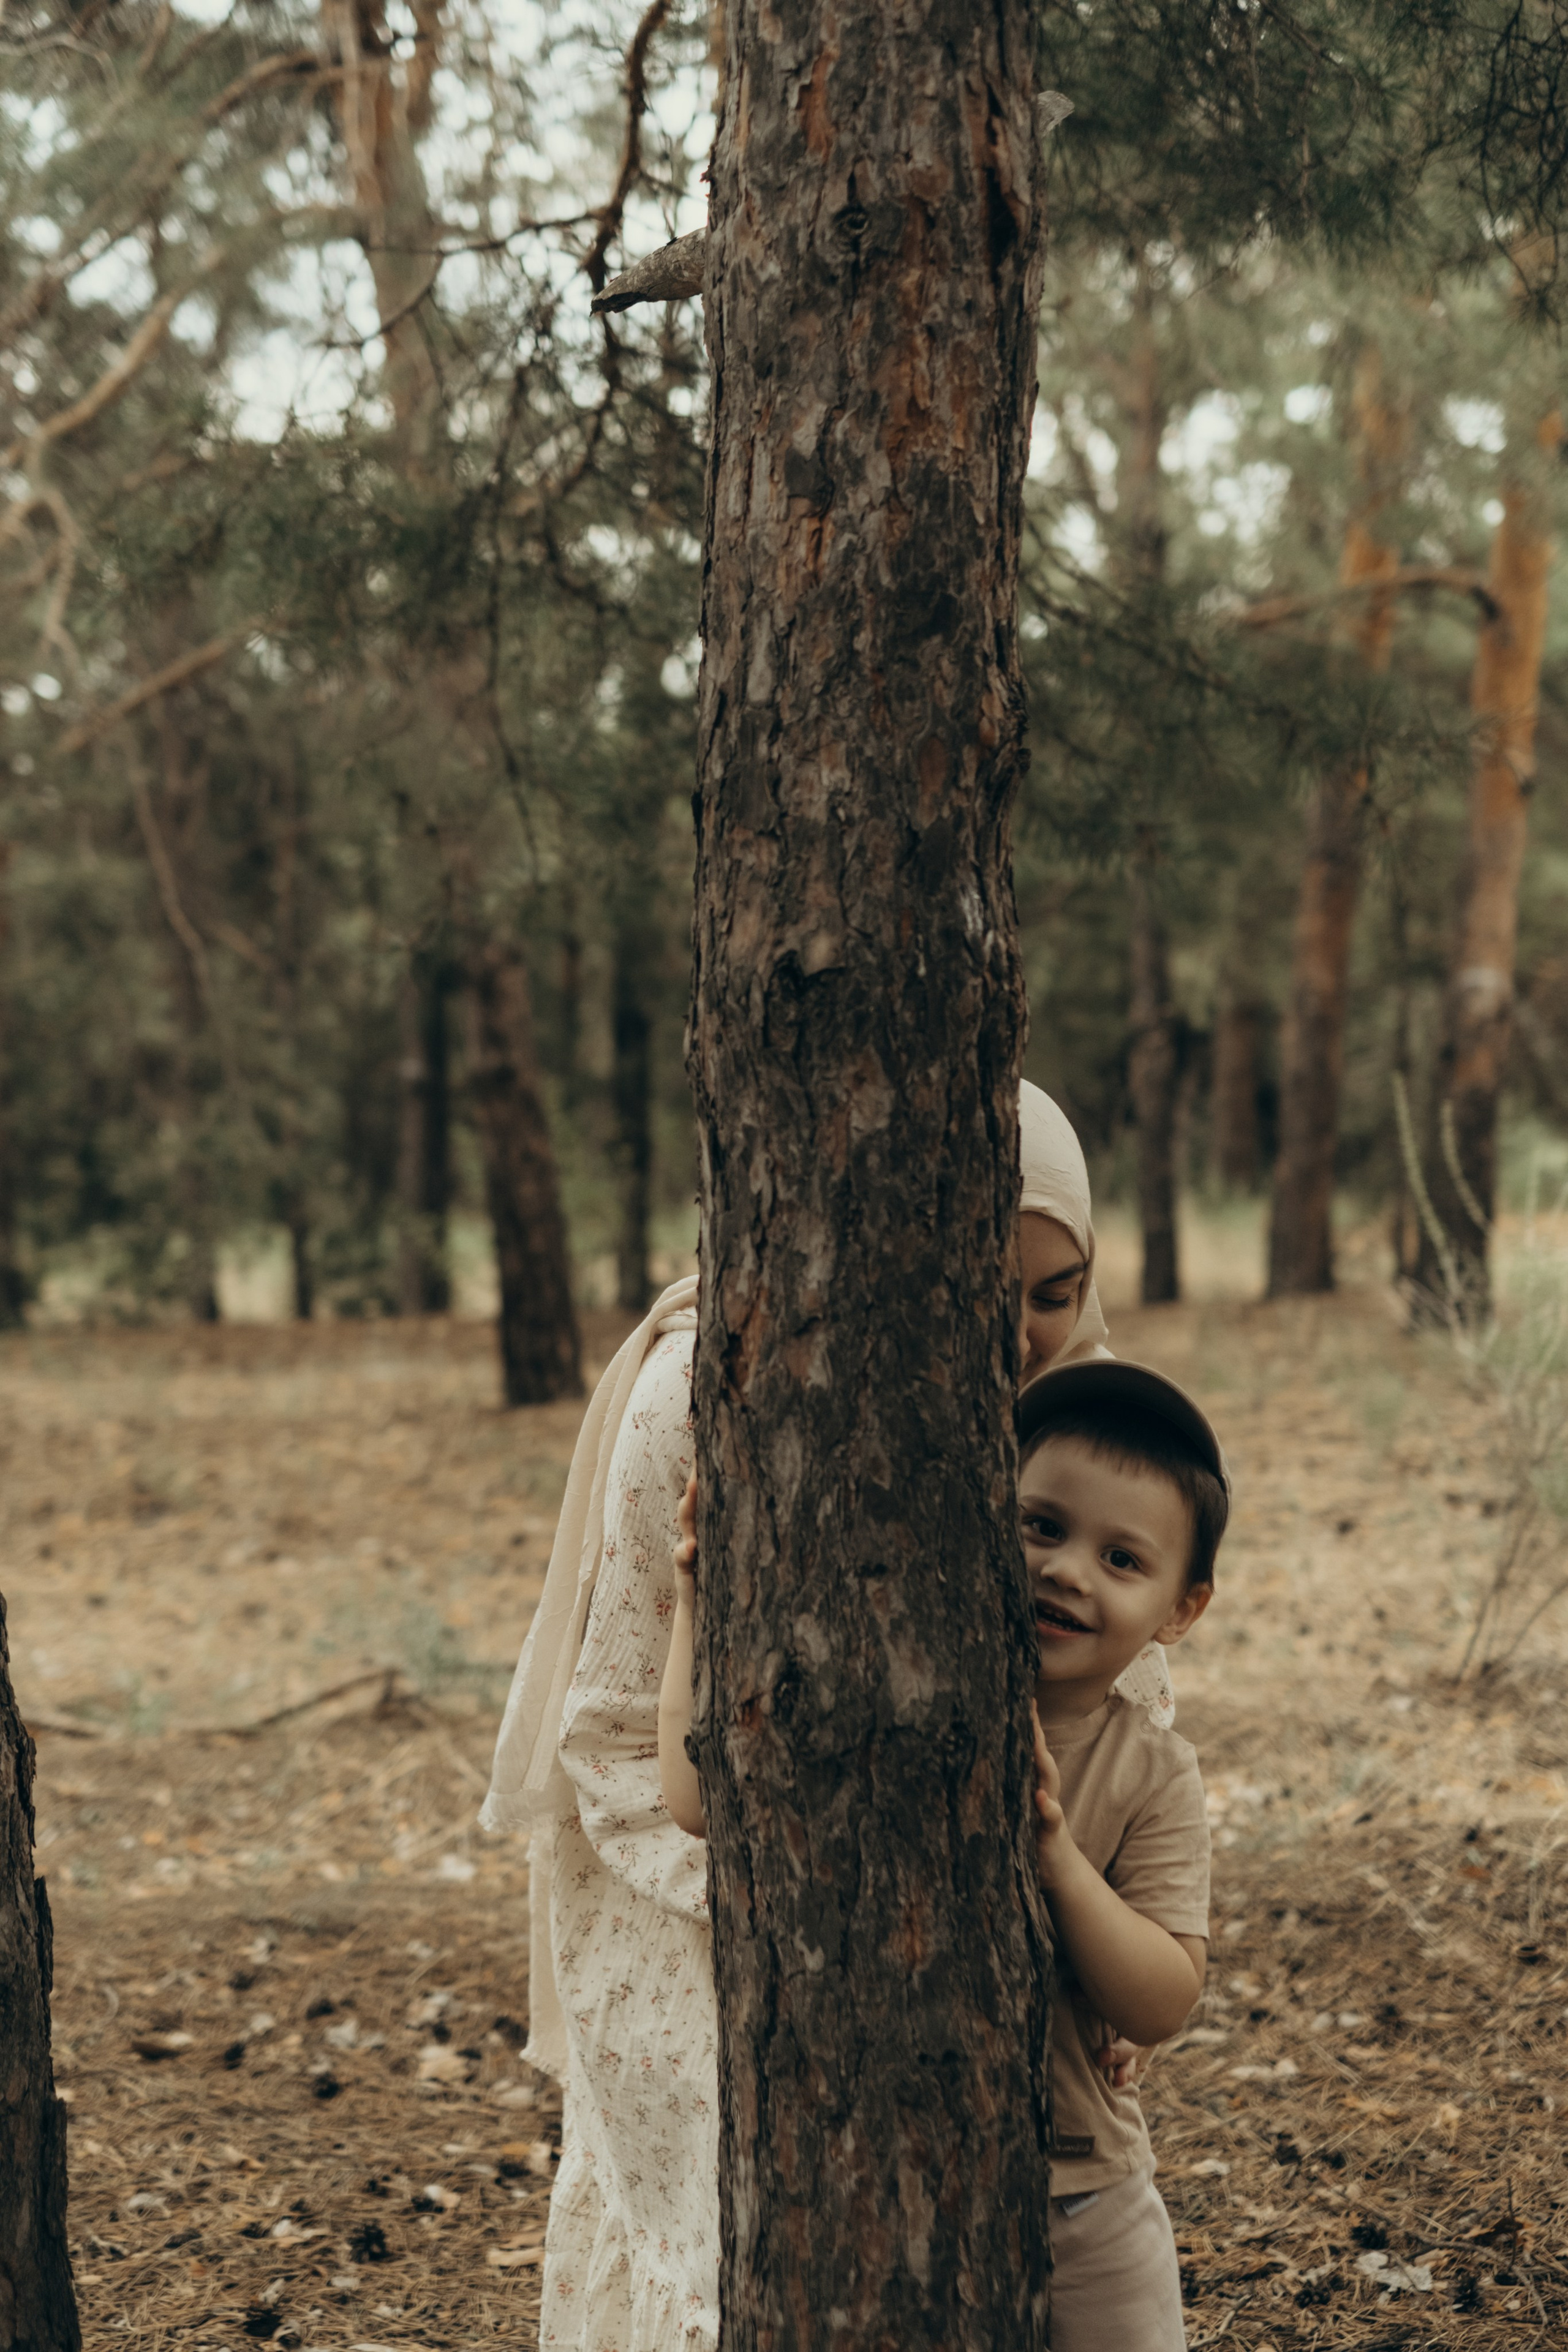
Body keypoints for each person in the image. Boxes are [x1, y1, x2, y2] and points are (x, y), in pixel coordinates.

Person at [481, 1082, 1125, 2351]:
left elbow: (1106, 1711)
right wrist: (810, 1904)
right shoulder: (693, 1397)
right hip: (681, 1892)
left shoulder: (1069, 1414)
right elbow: (617, 1744)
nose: (1024, 1332)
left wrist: (1084, 1951)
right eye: (985, 1285)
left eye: (1056, 1290)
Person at [1022, 1358, 1229, 2352]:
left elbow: (1163, 1998)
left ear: (1181, 1611)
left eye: (1122, 1560)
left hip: (1083, 2196)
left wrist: (1059, 1858)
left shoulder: (1151, 1773)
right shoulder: (896, 1707)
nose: (1067, 1570)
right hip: (889, 2179)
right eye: (1042, 1527)